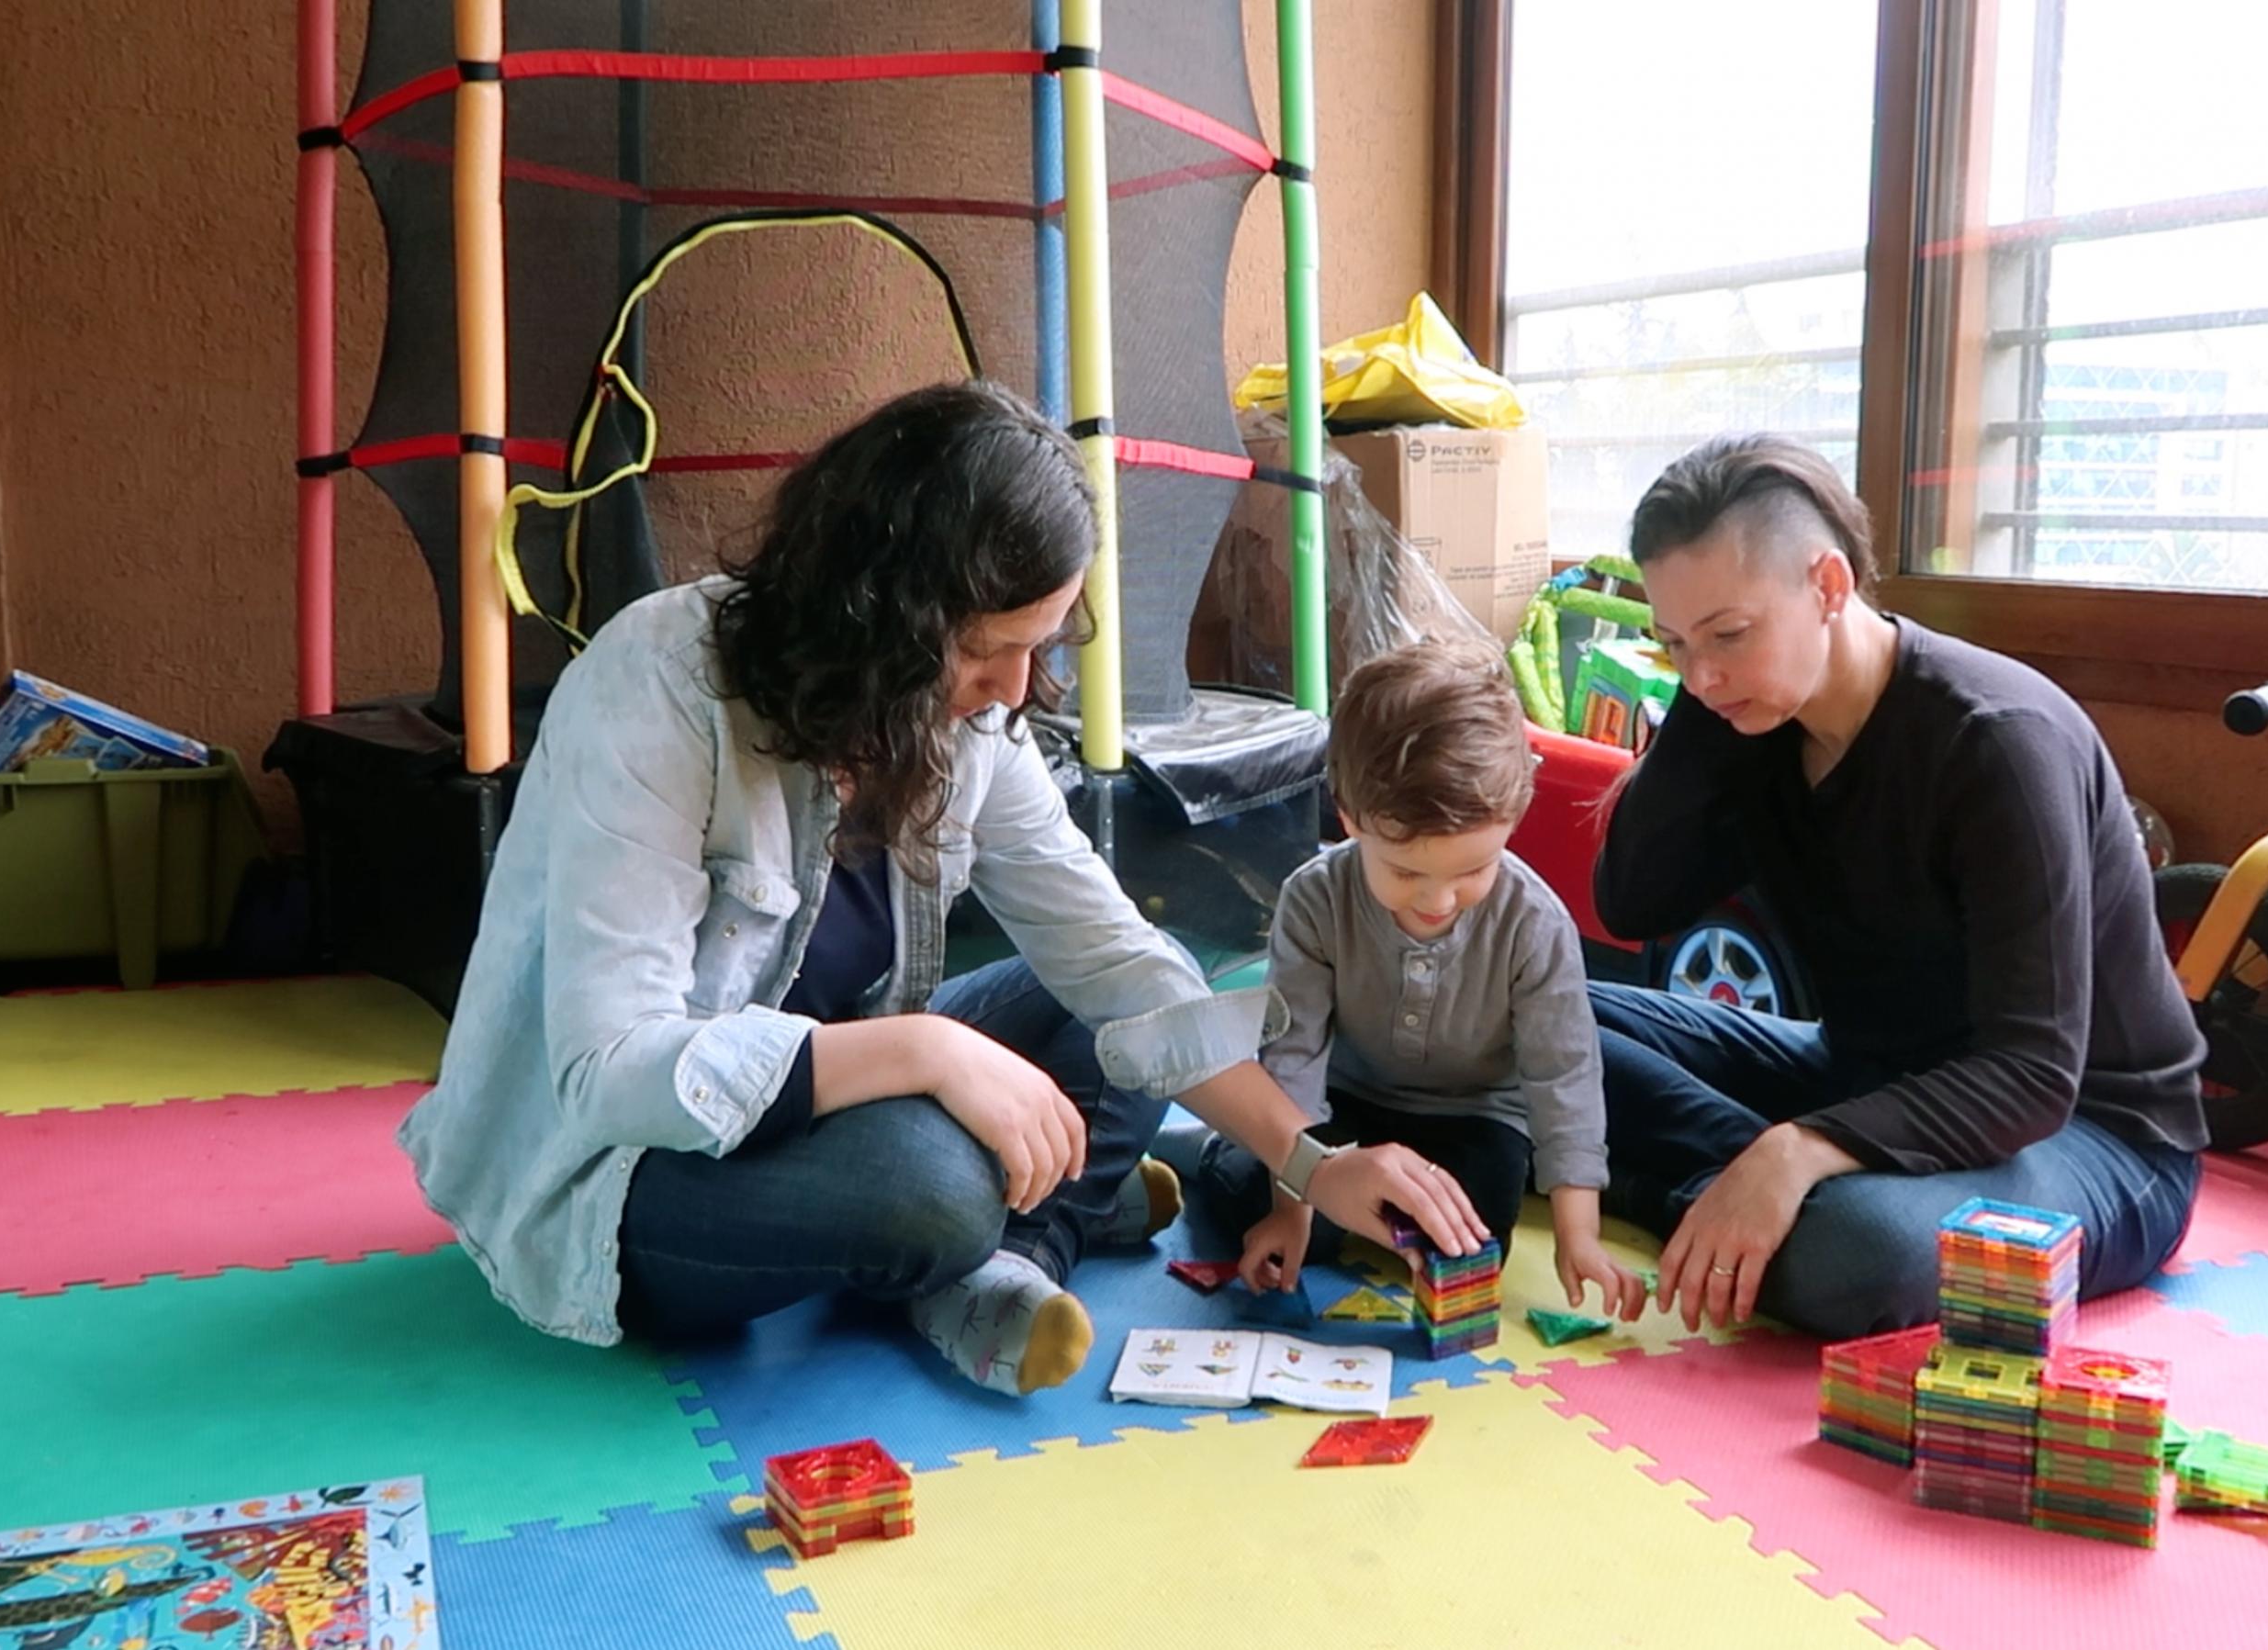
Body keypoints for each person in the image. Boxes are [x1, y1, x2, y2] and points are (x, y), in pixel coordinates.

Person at [399, 381, 1489, 1397]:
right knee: (929, 1191)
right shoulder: (659, 689)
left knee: (1126, 1011)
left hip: (833, 1077)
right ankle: (998, 1222)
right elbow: (606, 1072)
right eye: (984, 649)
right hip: (621, 1167)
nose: (1014, 690)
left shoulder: (968, 724)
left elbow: (1118, 970)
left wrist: (1310, 1160)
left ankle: (1008, 1263)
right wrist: (929, 1052)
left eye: (1039, 646)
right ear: (878, 616)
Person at [1588, 432, 2206, 1341]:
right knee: (1529, 1022)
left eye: (1729, 633)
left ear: (1829, 587)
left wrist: (1796, 1149)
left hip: (2090, 1134)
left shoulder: (1996, 739)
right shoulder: (1751, 716)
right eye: (1675, 643)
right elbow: (1631, 904)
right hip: (1861, 1074)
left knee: (1857, 1256)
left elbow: (2032, 1075)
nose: (1704, 673)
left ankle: (1700, 1183)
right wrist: (1702, 702)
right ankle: (1738, 1191)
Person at [1186, 641, 1646, 1321]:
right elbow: (1295, 1054)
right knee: (1254, 1205)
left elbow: (1564, 1075)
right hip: (1343, 1102)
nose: (1437, 900)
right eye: (1405, 871)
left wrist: (1577, 1232)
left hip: (1474, 1115)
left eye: (1471, 871)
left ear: (1513, 821)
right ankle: (1207, 1157)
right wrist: (1292, 1206)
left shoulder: (1534, 920)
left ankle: (1392, 1211)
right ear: (1349, 817)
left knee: (1474, 1230)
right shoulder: (1315, 898)